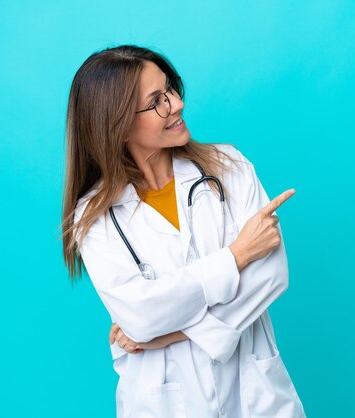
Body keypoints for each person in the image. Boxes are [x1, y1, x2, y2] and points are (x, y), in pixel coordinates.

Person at [61, 45, 306, 418]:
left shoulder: (228, 166)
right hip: (162, 403)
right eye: (157, 101)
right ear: (118, 122)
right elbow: (140, 317)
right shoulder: (95, 218)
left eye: (171, 90)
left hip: (257, 395)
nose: (177, 104)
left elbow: (271, 276)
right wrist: (236, 256)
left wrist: (170, 333)